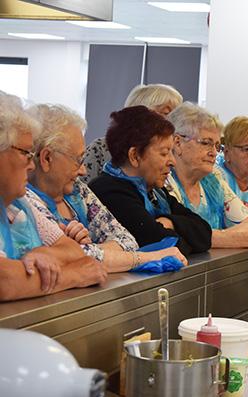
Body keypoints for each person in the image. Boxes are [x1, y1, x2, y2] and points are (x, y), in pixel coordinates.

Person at [26, 104, 187, 272]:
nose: (83, 170)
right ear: (47, 158)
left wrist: (89, 249)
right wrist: (145, 257)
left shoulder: (77, 190)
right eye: (78, 160)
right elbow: (65, 257)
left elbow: (128, 241)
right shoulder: (25, 199)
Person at [0, 92, 107, 301]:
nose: (31, 164)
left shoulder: (20, 203)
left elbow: (73, 250)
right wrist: (73, 274)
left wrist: (42, 254)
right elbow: (4, 280)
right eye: (25, 153)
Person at [89, 105, 212, 256]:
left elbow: (205, 233)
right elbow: (166, 245)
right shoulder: (109, 191)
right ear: (134, 156)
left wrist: (170, 222)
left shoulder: (156, 191)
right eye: (164, 153)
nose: (172, 161)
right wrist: (181, 233)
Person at [165, 103, 248, 250]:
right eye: (206, 143)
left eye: (216, 146)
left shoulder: (213, 178)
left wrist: (214, 238)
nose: (214, 153)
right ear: (178, 143)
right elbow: (177, 237)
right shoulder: (164, 180)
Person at [82, 83, 183, 183]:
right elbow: (81, 189)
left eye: (175, 116)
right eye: (166, 113)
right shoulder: (101, 148)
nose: (173, 122)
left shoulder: (174, 153)